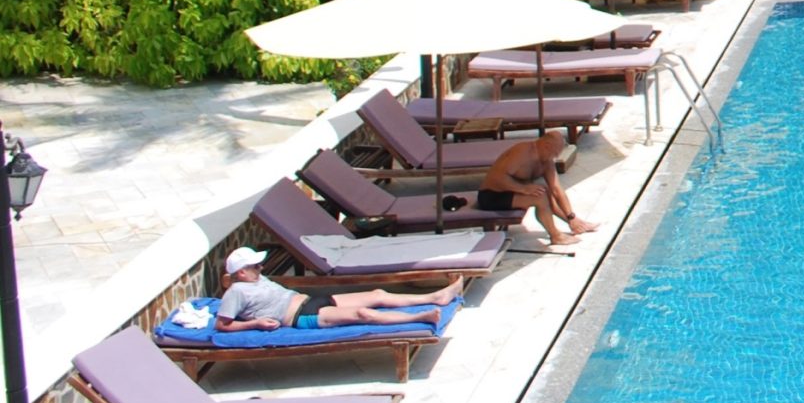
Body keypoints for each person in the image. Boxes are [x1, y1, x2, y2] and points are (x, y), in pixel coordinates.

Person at [213, 246, 466, 331]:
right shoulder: (237, 292)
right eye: (255, 266)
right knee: (363, 314)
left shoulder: (256, 279)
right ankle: (421, 317)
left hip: (311, 300)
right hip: (301, 317)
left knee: (377, 295)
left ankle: (436, 296)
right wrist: (255, 324)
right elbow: (222, 325)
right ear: (241, 272)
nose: (260, 267)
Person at [477, 131, 597, 245]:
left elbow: (556, 189)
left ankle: (575, 223)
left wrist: (571, 216)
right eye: (555, 153)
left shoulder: (547, 161)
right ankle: (556, 236)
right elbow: (497, 178)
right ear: (546, 146)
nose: (555, 157)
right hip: (492, 196)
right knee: (540, 197)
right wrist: (523, 189)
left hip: (513, 193)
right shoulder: (522, 152)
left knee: (546, 191)